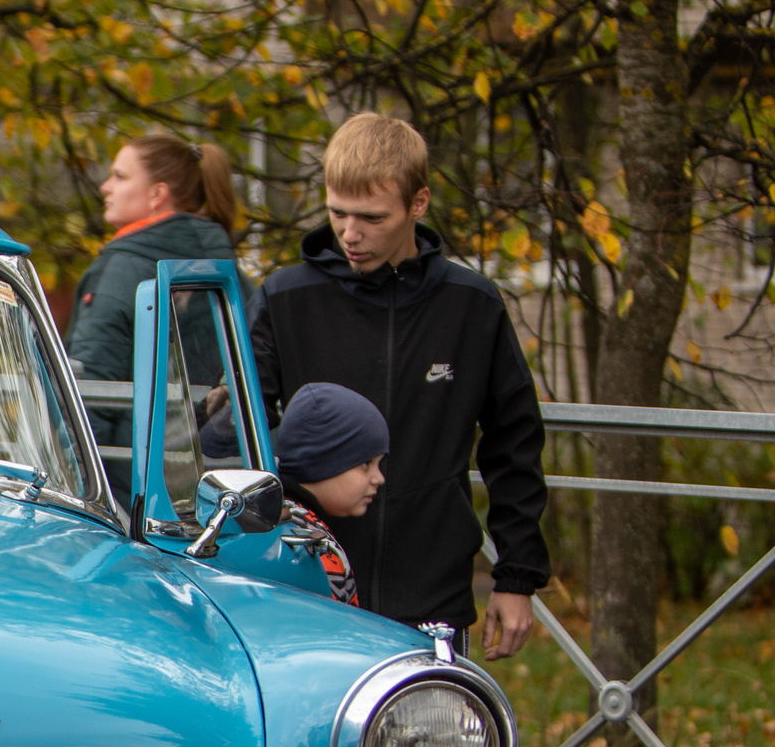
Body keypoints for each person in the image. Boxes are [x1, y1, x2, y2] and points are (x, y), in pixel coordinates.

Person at [248, 112, 548, 657]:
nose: (350, 233)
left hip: (431, 596)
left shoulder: (470, 304)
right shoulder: (285, 298)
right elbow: (238, 435)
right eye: (337, 213)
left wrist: (517, 576)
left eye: (372, 217)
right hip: (306, 591)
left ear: (418, 203)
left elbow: (515, 444)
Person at [65, 135, 241, 382]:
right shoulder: (230, 274)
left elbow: (93, 385)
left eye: (120, 176)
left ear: (157, 194)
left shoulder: (121, 270)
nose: (105, 186)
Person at [273, 382, 389, 605]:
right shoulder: (313, 549)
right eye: (366, 463)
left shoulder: (277, 520)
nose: (379, 478)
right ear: (321, 461)